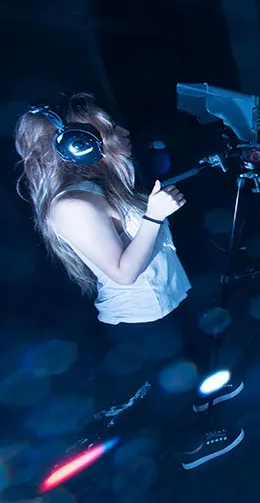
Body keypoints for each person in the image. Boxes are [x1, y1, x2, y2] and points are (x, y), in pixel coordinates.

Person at [14, 94, 244, 470]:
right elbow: (122, 271)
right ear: (78, 145)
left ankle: (202, 397)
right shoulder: (71, 206)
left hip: (167, 294)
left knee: (191, 352)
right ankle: (190, 446)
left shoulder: (100, 184)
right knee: (169, 384)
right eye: (110, 129)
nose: (123, 132)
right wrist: (153, 218)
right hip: (141, 316)